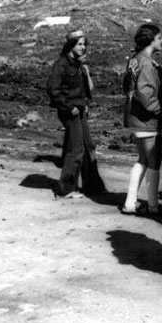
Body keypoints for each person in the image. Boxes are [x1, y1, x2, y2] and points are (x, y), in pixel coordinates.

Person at [46, 29, 106, 198]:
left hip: (80, 110)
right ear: (71, 45)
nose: (83, 47)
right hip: (70, 112)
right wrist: (68, 106)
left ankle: (93, 186)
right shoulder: (62, 64)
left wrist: (84, 102)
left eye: (84, 44)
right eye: (79, 44)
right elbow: (53, 89)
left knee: (88, 147)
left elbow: (86, 89)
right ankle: (66, 188)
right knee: (76, 149)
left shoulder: (78, 65)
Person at [121, 23, 162, 215]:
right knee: (153, 160)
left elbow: (126, 86)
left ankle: (131, 202)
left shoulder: (135, 60)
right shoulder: (147, 63)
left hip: (135, 117)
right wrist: (160, 110)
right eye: (159, 38)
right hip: (147, 119)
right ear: (151, 40)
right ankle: (153, 205)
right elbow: (145, 94)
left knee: (143, 159)